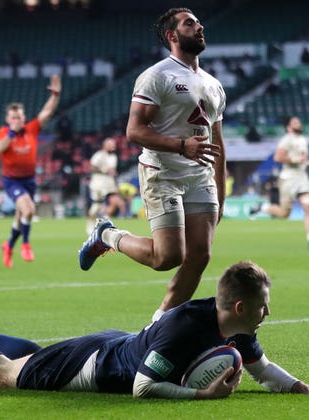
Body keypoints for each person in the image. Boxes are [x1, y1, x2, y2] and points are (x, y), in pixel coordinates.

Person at [0, 261, 309, 399]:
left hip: (113, 345)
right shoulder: (184, 328)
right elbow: (142, 387)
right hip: (98, 367)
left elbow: (261, 369)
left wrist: (299, 388)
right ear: (240, 306)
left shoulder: (235, 329)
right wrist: (201, 396)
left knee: (37, 358)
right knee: (6, 374)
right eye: (264, 306)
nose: (268, 313)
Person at [78, 8, 226, 322]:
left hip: (201, 178)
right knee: (168, 257)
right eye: (190, 23)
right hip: (164, 174)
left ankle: (159, 325)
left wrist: (221, 194)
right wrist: (181, 146)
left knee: (200, 255)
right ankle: (108, 236)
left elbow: (218, 146)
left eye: (199, 22)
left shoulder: (214, 85)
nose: (199, 27)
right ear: (172, 36)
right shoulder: (156, 76)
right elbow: (134, 131)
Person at [0, 75, 61, 268]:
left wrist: (55, 95)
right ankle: (26, 245)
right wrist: (11, 133)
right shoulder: (4, 133)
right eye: (13, 117)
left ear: (23, 117)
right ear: (8, 119)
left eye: (19, 116)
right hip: (12, 181)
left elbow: (46, 113)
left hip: (29, 181)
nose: (17, 120)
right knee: (29, 210)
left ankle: (8, 246)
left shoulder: (31, 129)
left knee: (20, 217)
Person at [251, 116, 309, 250]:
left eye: (299, 121)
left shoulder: (302, 140)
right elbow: (278, 157)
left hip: (302, 178)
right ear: (289, 127)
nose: (299, 123)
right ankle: (262, 208)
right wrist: (296, 160)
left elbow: (301, 160)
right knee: (285, 214)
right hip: (289, 179)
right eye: (295, 122)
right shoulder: (286, 140)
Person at [85, 137, 125, 233]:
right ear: (105, 145)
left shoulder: (114, 157)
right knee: (97, 205)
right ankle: (90, 224)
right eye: (111, 144)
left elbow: (112, 171)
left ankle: (105, 223)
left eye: (114, 145)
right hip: (98, 184)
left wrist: (115, 182)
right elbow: (91, 167)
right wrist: (104, 170)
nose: (113, 146)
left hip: (109, 184)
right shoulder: (98, 155)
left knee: (115, 202)